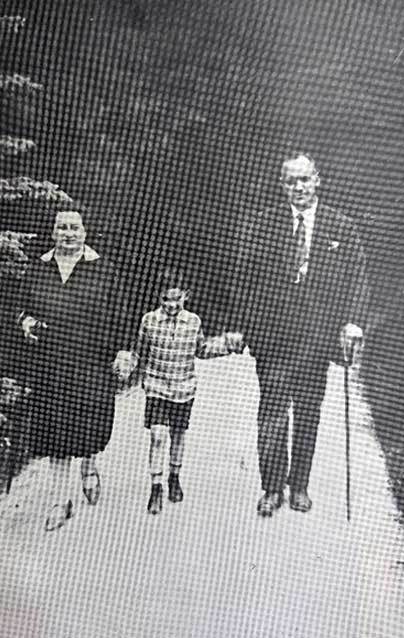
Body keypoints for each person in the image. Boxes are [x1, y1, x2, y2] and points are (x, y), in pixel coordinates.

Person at [238, 152, 368, 517]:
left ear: (317, 180)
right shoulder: (263, 225)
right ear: (282, 185)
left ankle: (299, 485)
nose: (298, 187)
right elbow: (245, 279)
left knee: (308, 412)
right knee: (272, 412)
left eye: (304, 179)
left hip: (316, 339)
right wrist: (249, 327)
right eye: (291, 181)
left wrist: (353, 321)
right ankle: (271, 488)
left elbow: (358, 277)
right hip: (274, 339)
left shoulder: (341, 226)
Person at [19, 209, 127, 531]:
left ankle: (89, 466)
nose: (68, 233)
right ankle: (60, 500)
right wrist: (26, 321)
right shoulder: (38, 269)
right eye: (62, 227)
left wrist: (123, 352)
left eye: (74, 227)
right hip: (51, 363)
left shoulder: (104, 269)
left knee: (90, 423)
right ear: (53, 232)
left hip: (93, 361)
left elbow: (121, 316)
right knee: (56, 430)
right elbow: (20, 307)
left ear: (85, 232)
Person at [115, 268, 244, 515]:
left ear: (186, 295)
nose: (171, 305)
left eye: (177, 299)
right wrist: (127, 364)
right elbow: (139, 351)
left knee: (178, 434)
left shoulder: (193, 322)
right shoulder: (149, 320)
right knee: (158, 435)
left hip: (184, 387)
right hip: (156, 385)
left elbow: (202, 350)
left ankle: (174, 476)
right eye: (166, 299)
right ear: (159, 297)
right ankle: (156, 486)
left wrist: (227, 345)